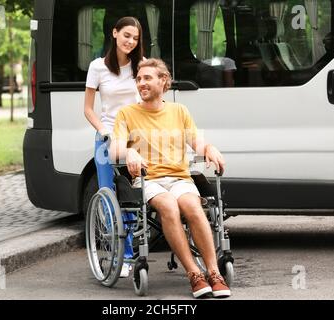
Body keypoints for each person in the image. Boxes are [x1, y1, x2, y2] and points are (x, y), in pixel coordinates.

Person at [110, 58, 231, 298]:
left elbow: (196, 142)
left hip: (179, 178)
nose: (141, 83)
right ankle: (194, 274)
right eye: (138, 79)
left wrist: (209, 148)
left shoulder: (179, 111)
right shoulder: (127, 114)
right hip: (148, 180)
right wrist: (130, 151)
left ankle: (214, 272)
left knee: (193, 207)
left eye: (147, 78)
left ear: (163, 80)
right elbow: (114, 150)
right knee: (168, 206)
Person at [84, 16, 144, 278]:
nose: (131, 41)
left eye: (136, 38)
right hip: (107, 137)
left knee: (131, 198)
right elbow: (88, 109)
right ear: (115, 33)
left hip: (134, 139)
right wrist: (104, 130)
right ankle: (122, 254)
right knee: (109, 195)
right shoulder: (97, 67)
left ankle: (131, 255)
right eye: (127, 35)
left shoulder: (141, 66)